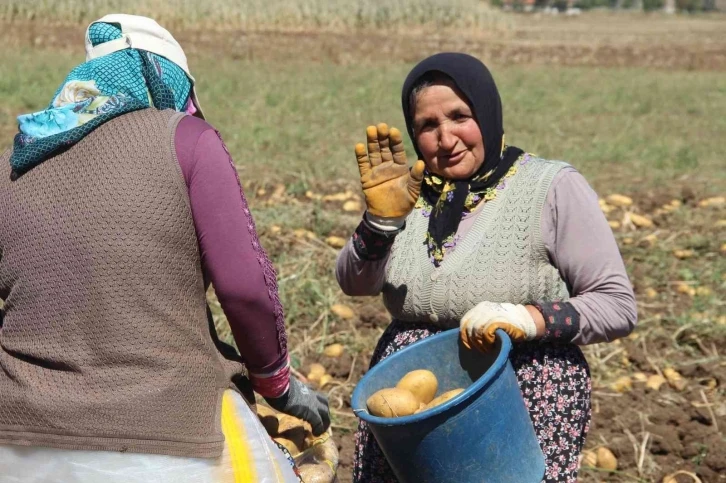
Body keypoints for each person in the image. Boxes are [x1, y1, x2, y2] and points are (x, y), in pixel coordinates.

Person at [0, 14, 329, 482]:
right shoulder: (187, 140)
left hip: (17, 443)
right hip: (167, 440)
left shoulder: (13, 166)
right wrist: (278, 384)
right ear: (162, 80)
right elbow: (244, 289)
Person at [336, 52, 637, 483]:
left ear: (488, 111)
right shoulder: (408, 193)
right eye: (428, 126)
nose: (446, 138)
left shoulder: (550, 187)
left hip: (523, 388)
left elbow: (617, 305)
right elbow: (354, 282)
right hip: (411, 403)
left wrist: (527, 318)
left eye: (460, 116)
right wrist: (381, 222)